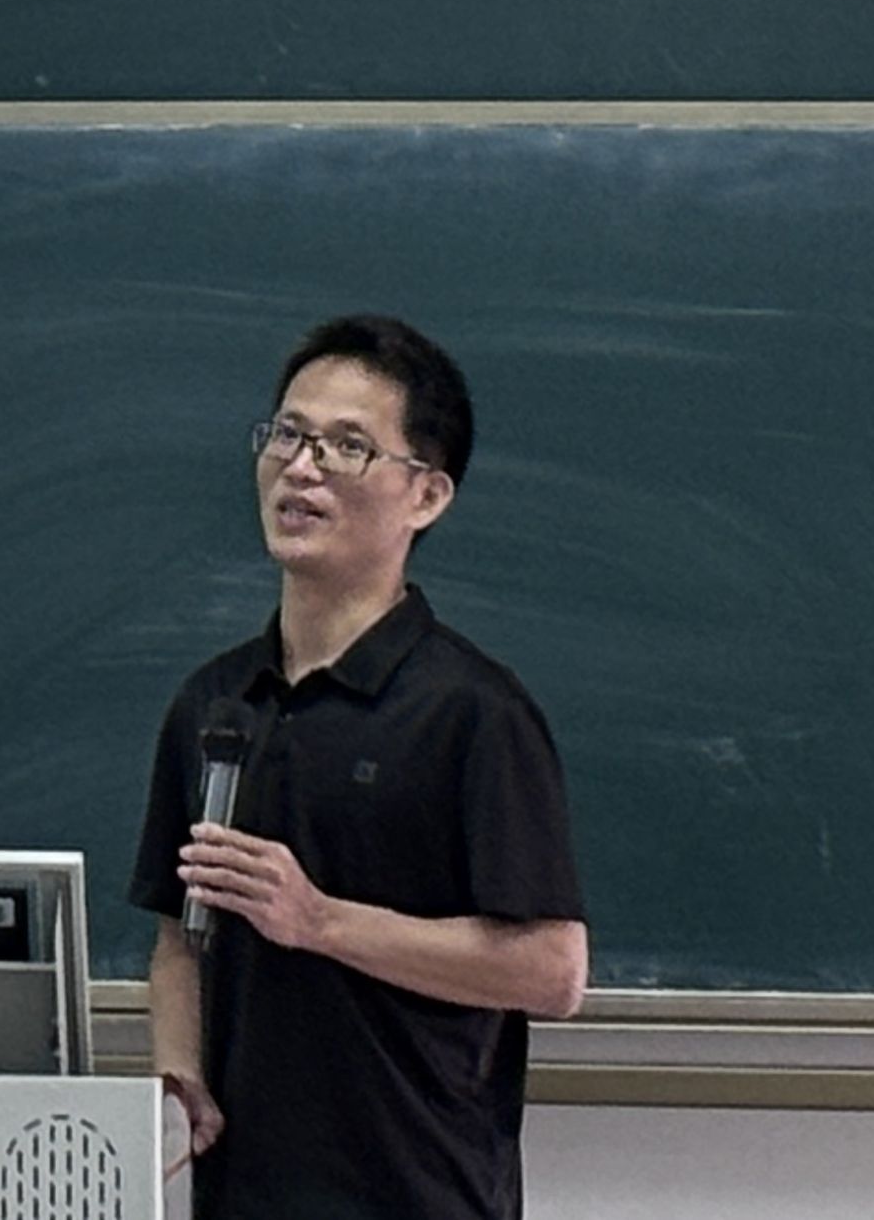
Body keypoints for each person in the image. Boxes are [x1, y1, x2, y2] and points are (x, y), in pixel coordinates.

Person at [128, 315, 588, 1220]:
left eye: (347, 447)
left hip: (419, 1193)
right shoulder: (214, 704)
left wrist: (321, 920)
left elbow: (551, 968)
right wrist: (178, 1071)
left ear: (427, 495)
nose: (302, 468)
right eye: (288, 435)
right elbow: (180, 940)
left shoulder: (473, 712)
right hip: (245, 1196)